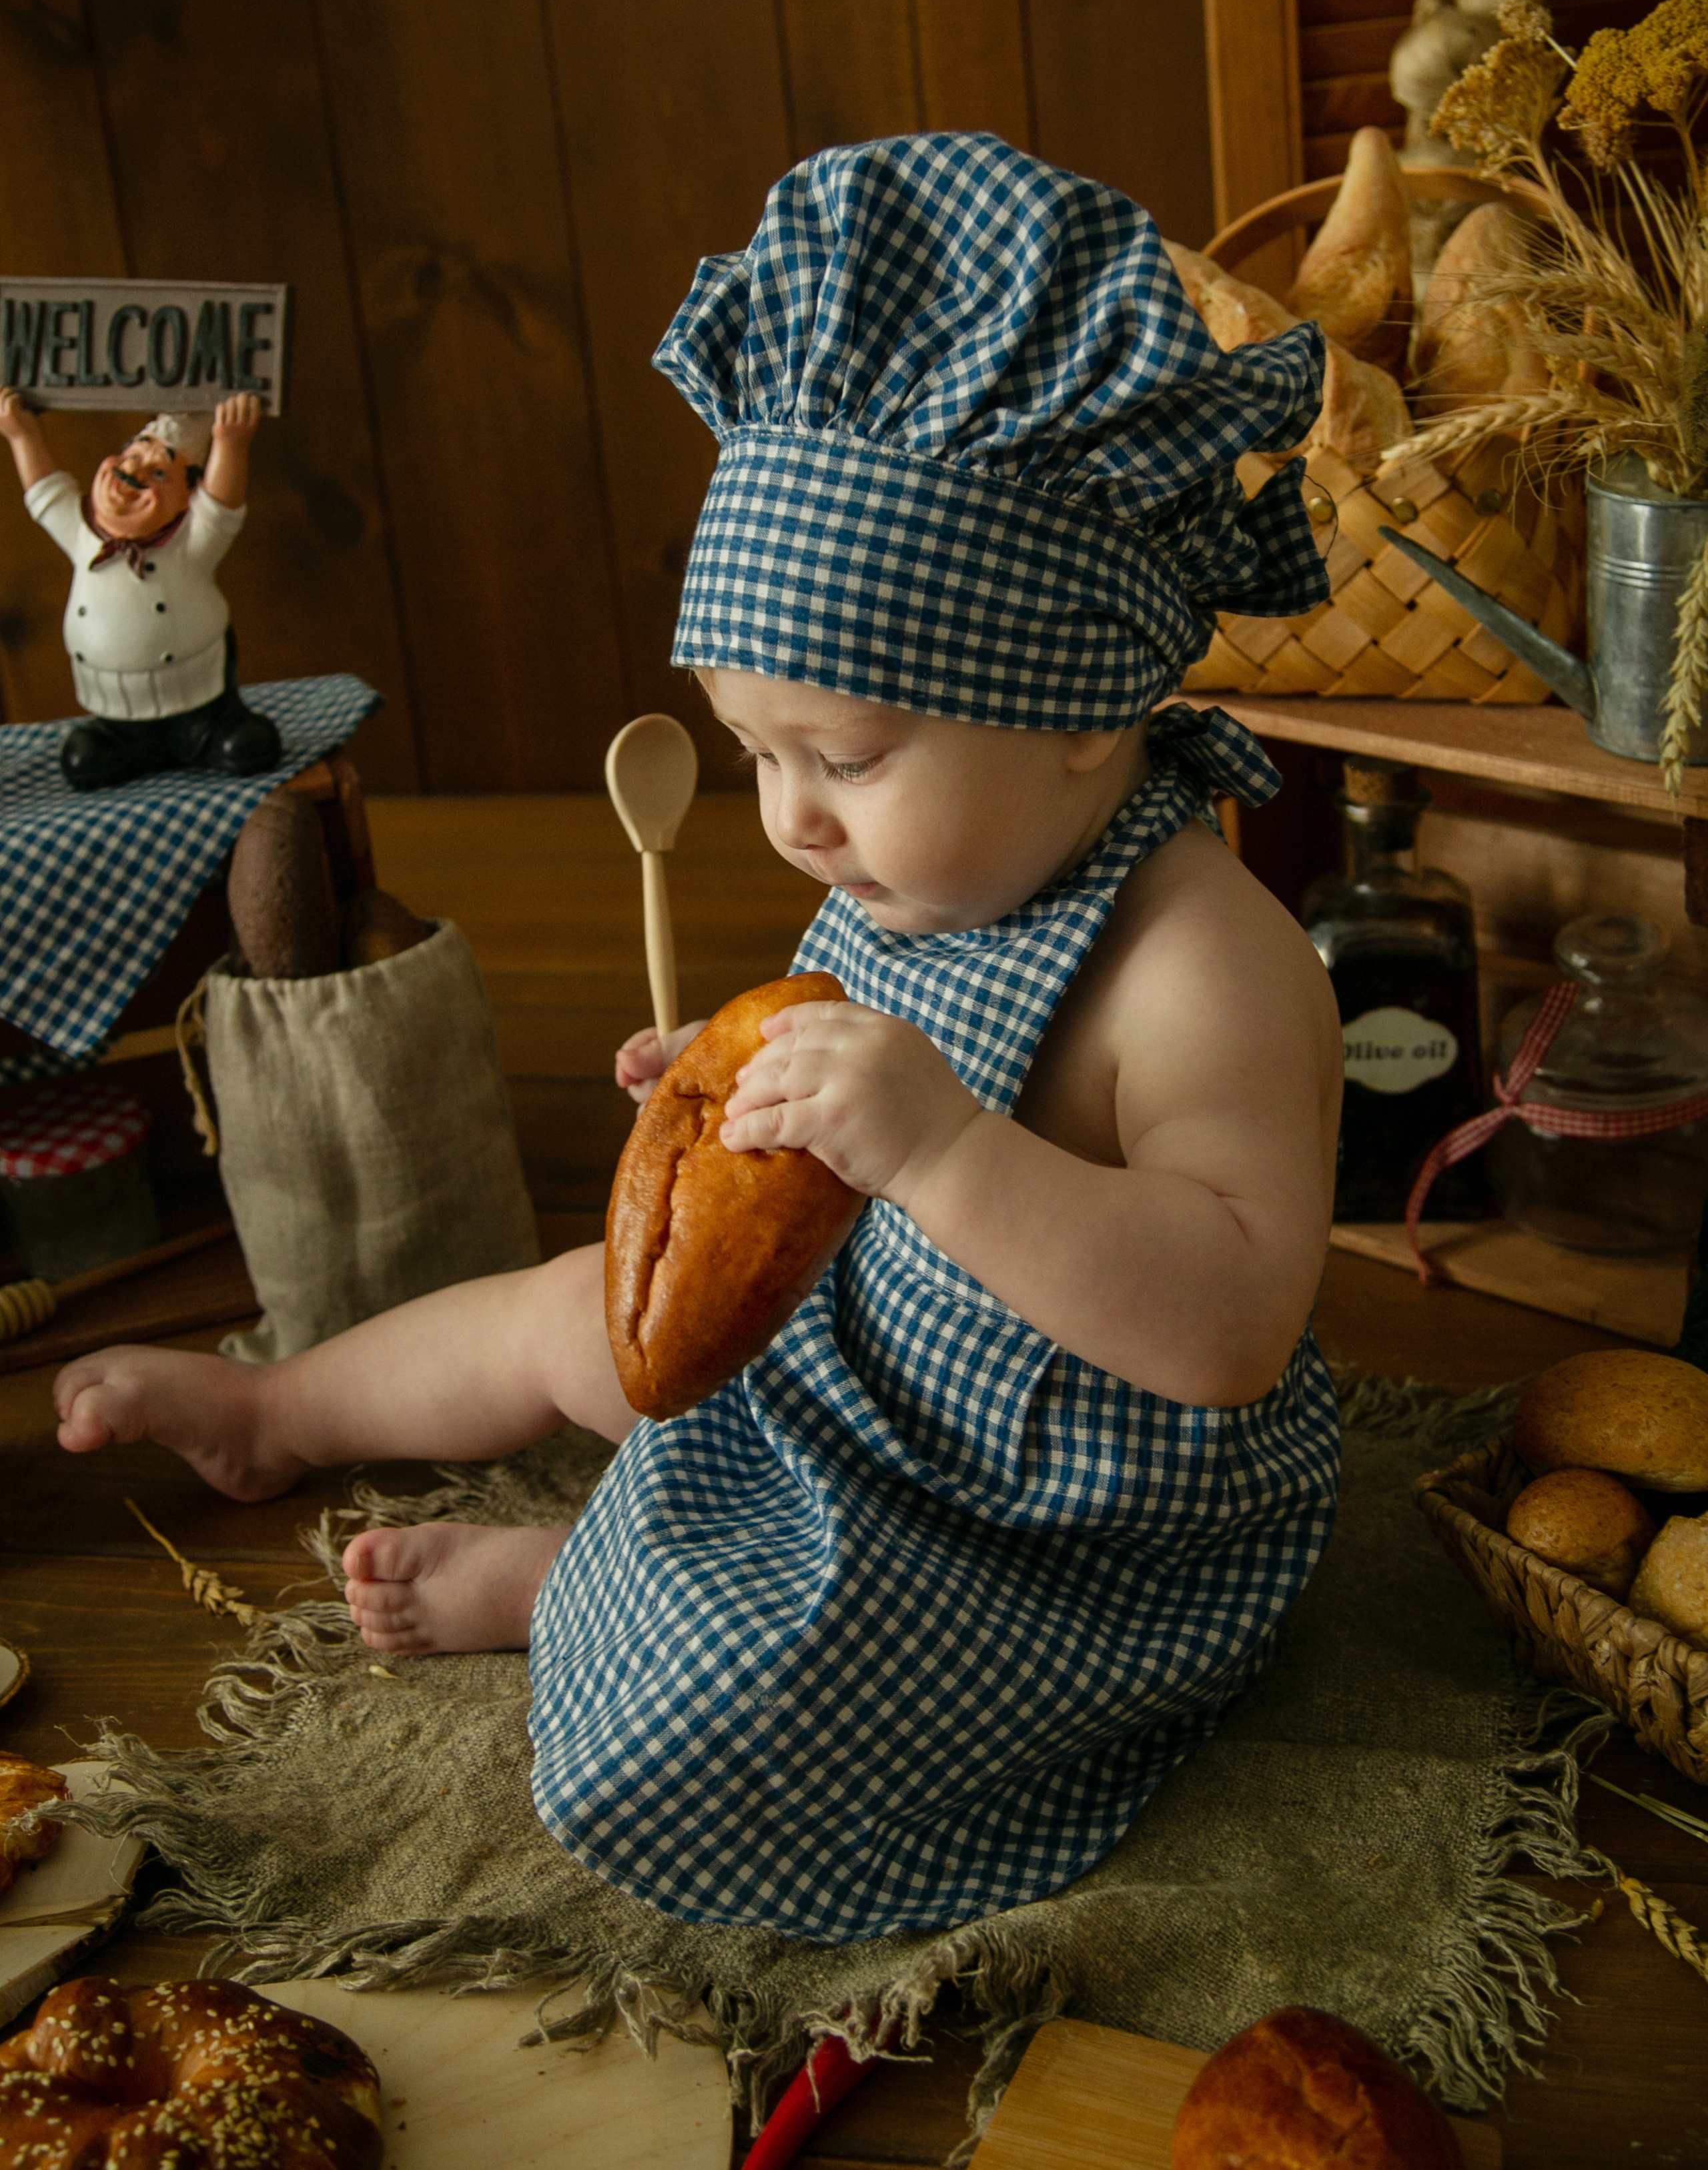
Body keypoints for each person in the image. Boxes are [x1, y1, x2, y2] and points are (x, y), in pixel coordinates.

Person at [52, 134, 1343, 1945]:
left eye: (850, 754)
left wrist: (943, 1147)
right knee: (570, 1298)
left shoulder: (1207, 962)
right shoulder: (923, 868)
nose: (796, 819)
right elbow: (834, 1111)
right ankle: (284, 1402)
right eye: (755, 754)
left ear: (1079, 703)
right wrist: (725, 1103)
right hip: (858, 1343)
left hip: (1037, 1506)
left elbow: (1227, 1326)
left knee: (730, 1703)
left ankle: (581, 1574)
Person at [0, 389, 280, 788]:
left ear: (188, 495)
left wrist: (230, 444)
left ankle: (213, 733)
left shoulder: (191, 544)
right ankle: (121, 744)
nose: (134, 474)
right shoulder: (82, 535)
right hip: (117, 710)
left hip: (198, 700)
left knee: (246, 747)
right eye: (132, 457)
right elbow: (46, 492)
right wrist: (22, 436)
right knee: (86, 760)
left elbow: (222, 508)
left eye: (160, 474)